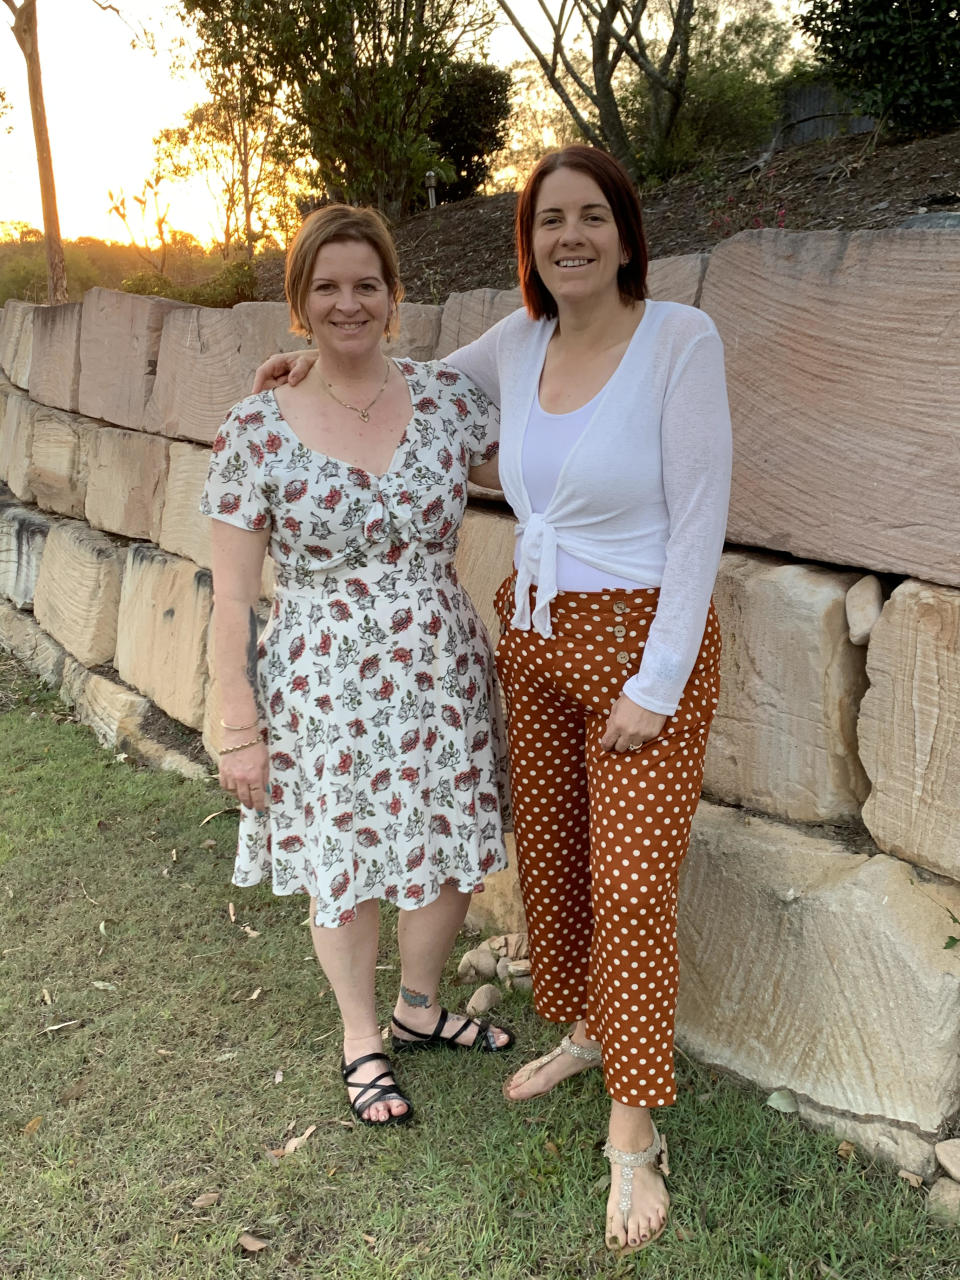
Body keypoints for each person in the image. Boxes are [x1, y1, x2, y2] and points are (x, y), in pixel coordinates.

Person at [254, 146, 731, 1252]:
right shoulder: (520, 342)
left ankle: (632, 1124)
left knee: (632, 883)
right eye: (548, 219)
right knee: (556, 859)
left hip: (642, 645)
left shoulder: (679, 340)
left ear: (624, 231)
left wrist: (656, 683)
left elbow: (703, 514)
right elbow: (400, 375)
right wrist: (304, 365)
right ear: (529, 244)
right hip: (536, 635)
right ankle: (583, 1029)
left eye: (589, 216)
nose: (569, 235)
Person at [203, 204, 514, 1131]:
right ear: (299, 302)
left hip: (442, 668)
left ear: (393, 294)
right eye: (327, 287)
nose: (349, 304)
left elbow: (551, 412)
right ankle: (360, 1036)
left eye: (365, 285)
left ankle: (420, 1008)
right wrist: (238, 722)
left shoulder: (449, 400)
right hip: (322, 679)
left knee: (453, 839)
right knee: (346, 857)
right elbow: (230, 596)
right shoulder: (257, 425)